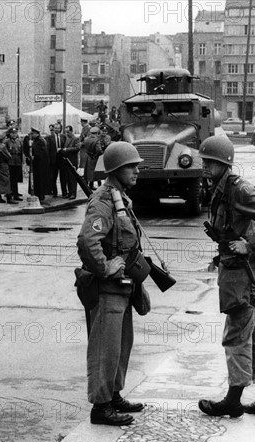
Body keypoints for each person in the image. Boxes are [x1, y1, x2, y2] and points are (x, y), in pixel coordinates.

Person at [197, 136, 255, 419]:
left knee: (236, 336)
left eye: (210, 163)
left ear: (224, 164)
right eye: (205, 161)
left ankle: (233, 400)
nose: (205, 166)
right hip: (238, 271)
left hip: (243, 275)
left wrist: (250, 244)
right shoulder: (221, 189)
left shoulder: (240, 190)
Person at [76, 142, 147, 426]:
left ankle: (114, 394)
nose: (137, 172)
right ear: (117, 169)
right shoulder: (103, 202)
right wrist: (105, 268)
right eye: (132, 167)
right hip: (107, 288)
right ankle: (101, 406)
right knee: (105, 347)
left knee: (120, 344)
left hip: (123, 287)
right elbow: (87, 240)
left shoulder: (120, 198)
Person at [25, 127, 51, 203]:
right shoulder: (35, 140)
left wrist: (34, 156)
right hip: (36, 164)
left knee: (40, 180)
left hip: (40, 165)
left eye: (33, 133)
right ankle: (36, 193)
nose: (31, 135)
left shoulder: (41, 141)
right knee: (36, 180)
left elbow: (42, 153)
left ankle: (41, 194)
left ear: (37, 134)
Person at [0, 132, 17, 204]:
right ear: (3, 139)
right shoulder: (3, 146)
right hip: (3, 165)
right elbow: (8, 156)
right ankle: (9, 198)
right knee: (6, 181)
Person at [59, 125, 81, 199]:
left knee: (72, 179)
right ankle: (70, 192)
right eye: (66, 132)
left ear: (71, 131)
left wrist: (67, 149)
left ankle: (73, 194)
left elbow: (77, 148)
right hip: (67, 161)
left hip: (73, 161)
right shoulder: (67, 138)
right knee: (68, 178)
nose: (67, 133)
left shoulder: (76, 139)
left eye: (68, 132)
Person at [80, 126, 103, 191]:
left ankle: (88, 185)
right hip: (94, 157)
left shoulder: (86, 139)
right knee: (93, 171)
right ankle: (91, 185)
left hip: (87, 156)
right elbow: (99, 150)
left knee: (87, 170)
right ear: (97, 133)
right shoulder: (97, 140)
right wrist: (100, 153)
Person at [46, 123, 66, 197]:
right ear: (53, 129)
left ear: (60, 129)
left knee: (63, 177)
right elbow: (48, 150)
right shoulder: (49, 137)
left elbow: (65, 147)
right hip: (53, 160)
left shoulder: (64, 137)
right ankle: (54, 192)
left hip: (62, 159)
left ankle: (64, 192)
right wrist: (49, 160)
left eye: (58, 128)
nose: (57, 129)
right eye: (55, 128)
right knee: (53, 177)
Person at [5, 128, 24, 200]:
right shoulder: (7, 142)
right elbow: (5, 152)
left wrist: (22, 161)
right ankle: (9, 194)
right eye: (12, 133)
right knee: (10, 179)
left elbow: (21, 152)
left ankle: (15, 194)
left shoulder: (19, 141)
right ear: (10, 134)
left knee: (16, 179)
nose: (14, 134)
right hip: (10, 162)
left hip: (17, 161)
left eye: (15, 133)